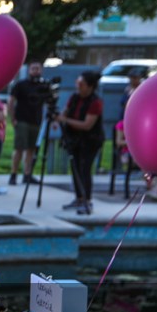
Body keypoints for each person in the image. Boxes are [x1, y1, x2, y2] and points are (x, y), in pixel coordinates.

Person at [57, 71, 105, 215]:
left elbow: (87, 125)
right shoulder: (74, 97)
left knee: (85, 169)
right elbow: (65, 112)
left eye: (81, 84)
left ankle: (87, 199)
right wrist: (59, 117)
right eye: (77, 83)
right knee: (75, 168)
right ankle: (79, 198)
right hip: (75, 139)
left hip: (90, 140)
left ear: (90, 86)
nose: (78, 87)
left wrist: (65, 120)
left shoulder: (95, 102)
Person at [8, 60, 49, 186]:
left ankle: (27, 174)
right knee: (19, 148)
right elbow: (11, 101)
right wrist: (12, 118)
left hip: (36, 121)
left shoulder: (44, 86)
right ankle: (13, 175)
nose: (36, 71)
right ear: (29, 70)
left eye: (38, 68)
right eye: (33, 68)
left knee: (31, 149)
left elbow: (48, 102)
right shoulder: (21, 85)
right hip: (22, 120)